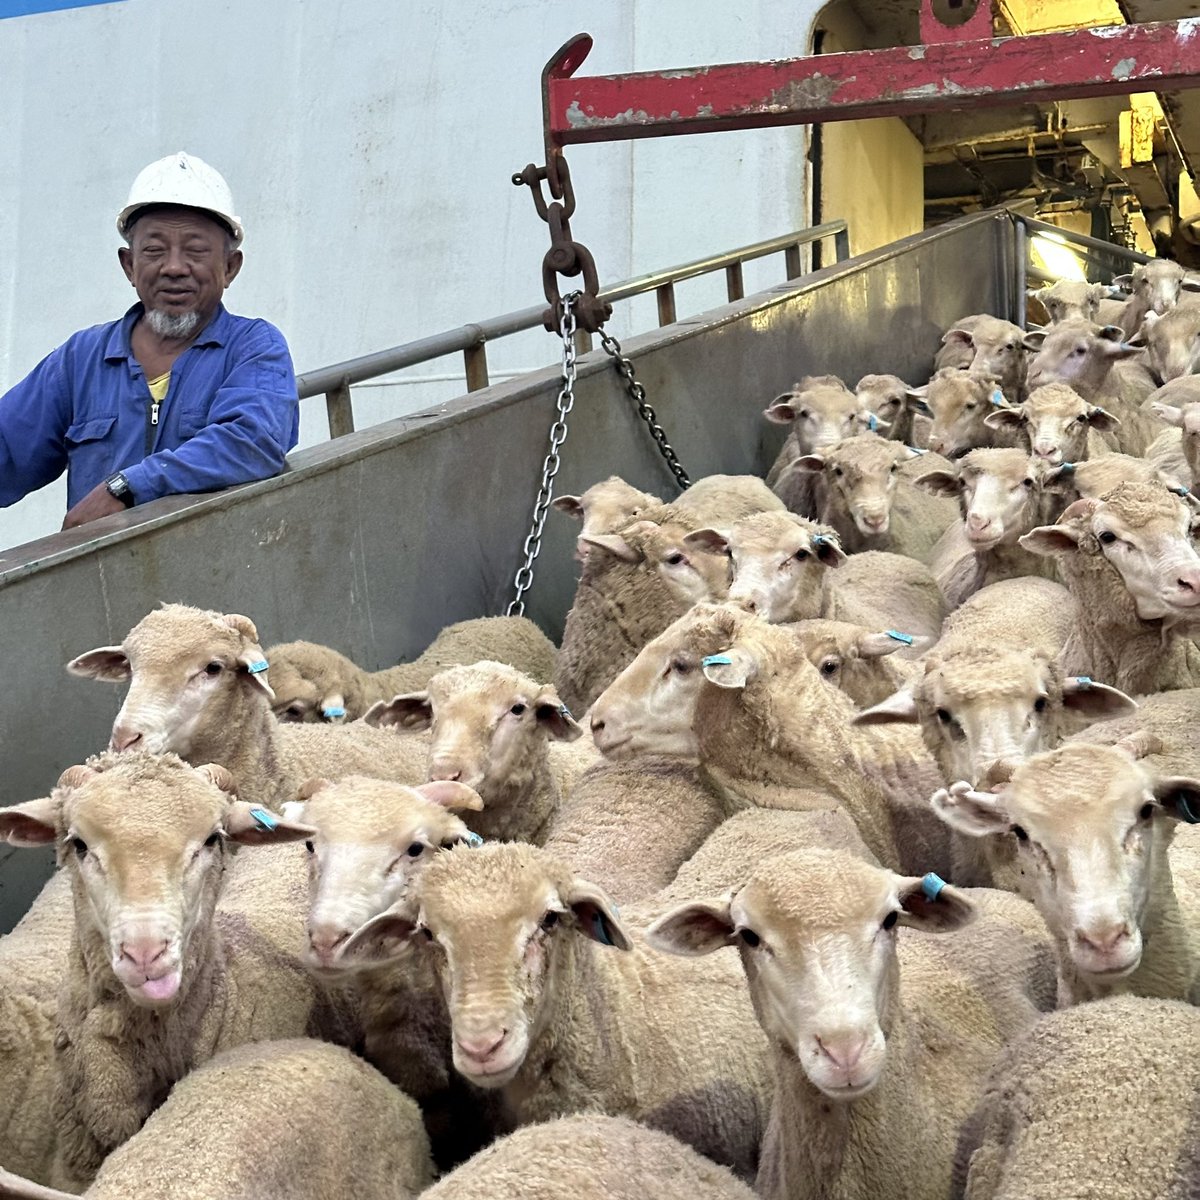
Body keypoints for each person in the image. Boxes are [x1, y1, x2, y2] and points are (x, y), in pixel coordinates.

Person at [0, 152, 300, 530]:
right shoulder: (81, 359)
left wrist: (126, 487)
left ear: (229, 267)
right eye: (155, 250)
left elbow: (252, 440)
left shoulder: (254, 348)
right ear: (129, 265)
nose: (174, 267)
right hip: (100, 581)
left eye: (195, 250)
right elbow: (7, 448)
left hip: (221, 577)